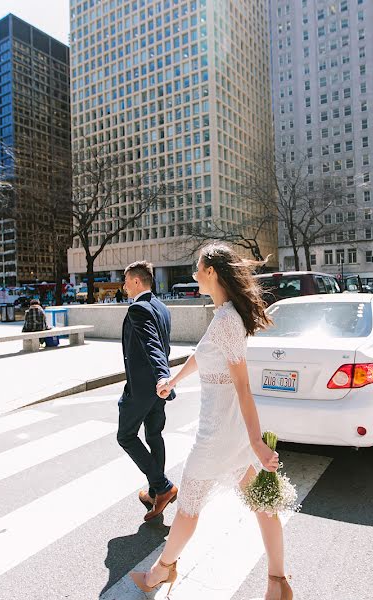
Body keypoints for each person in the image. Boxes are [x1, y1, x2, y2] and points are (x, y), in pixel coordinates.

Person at [131, 243, 290, 600]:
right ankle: (278, 583)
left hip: (218, 435)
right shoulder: (223, 315)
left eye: (197, 269)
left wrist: (256, 443)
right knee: (262, 504)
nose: (193, 275)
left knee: (187, 509)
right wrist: (172, 380)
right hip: (226, 434)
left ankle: (160, 573)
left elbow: (243, 387)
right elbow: (203, 355)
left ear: (212, 273)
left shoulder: (227, 320)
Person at [117, 261, 177, 523]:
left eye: (126, 281)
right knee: (154, 435)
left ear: (137, 282)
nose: (123, 286)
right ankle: (155, 492)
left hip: (143, 388)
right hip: (157, 389)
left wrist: (164, 376)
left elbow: (153, 345)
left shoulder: (138, 309)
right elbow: (164, 346)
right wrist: (163, 380)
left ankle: (163, 487)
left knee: (126, 436)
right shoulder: (162, 308)